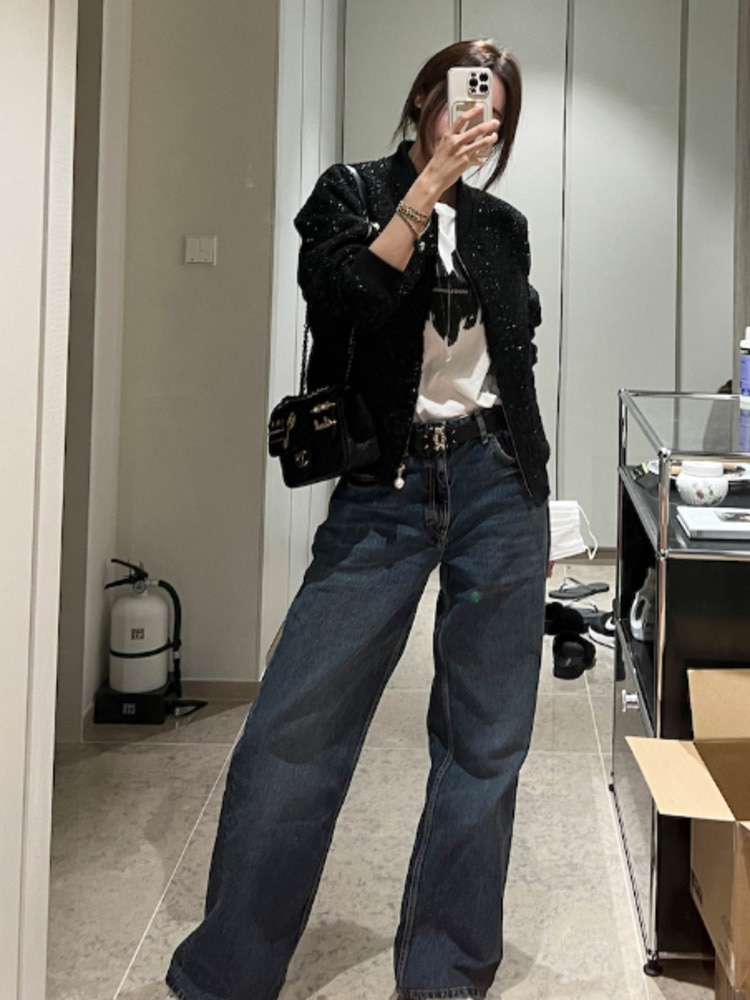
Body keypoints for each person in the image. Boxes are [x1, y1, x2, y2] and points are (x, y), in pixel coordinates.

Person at [166, 37, 550, 1000]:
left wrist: (538, 489)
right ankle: (225, 974)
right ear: (423, 99)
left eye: (493, 113)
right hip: (387, 488)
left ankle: (445, 973)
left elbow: (516, 352)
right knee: (293, 728)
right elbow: (346, 305)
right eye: (463, 98)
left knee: (486, 743)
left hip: (498, 482)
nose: (475, 120)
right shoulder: (350, 191)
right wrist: (424, 194)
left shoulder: (503, 226)